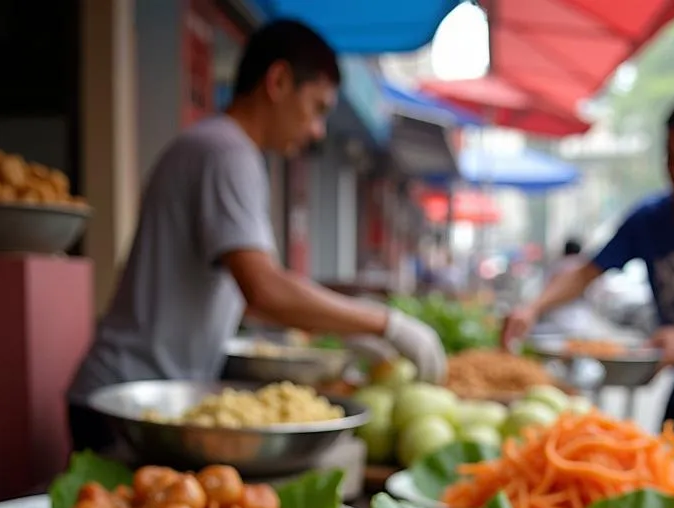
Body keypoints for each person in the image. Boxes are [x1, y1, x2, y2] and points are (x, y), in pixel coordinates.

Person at [67, 19, 445, 452]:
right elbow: (264, 290)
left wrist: (342, 328)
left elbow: (251, 298)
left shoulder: (216, 147)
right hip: (128, 403)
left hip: (136, 396)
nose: (318, 130)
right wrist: (384, 323)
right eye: (318, 108)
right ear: (279, 81)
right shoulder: (227, 153)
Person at [500, 93, 674, 474]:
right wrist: (532, 308)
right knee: (665, 491)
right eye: (671, 157)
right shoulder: (650, 218)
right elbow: (588, 272)